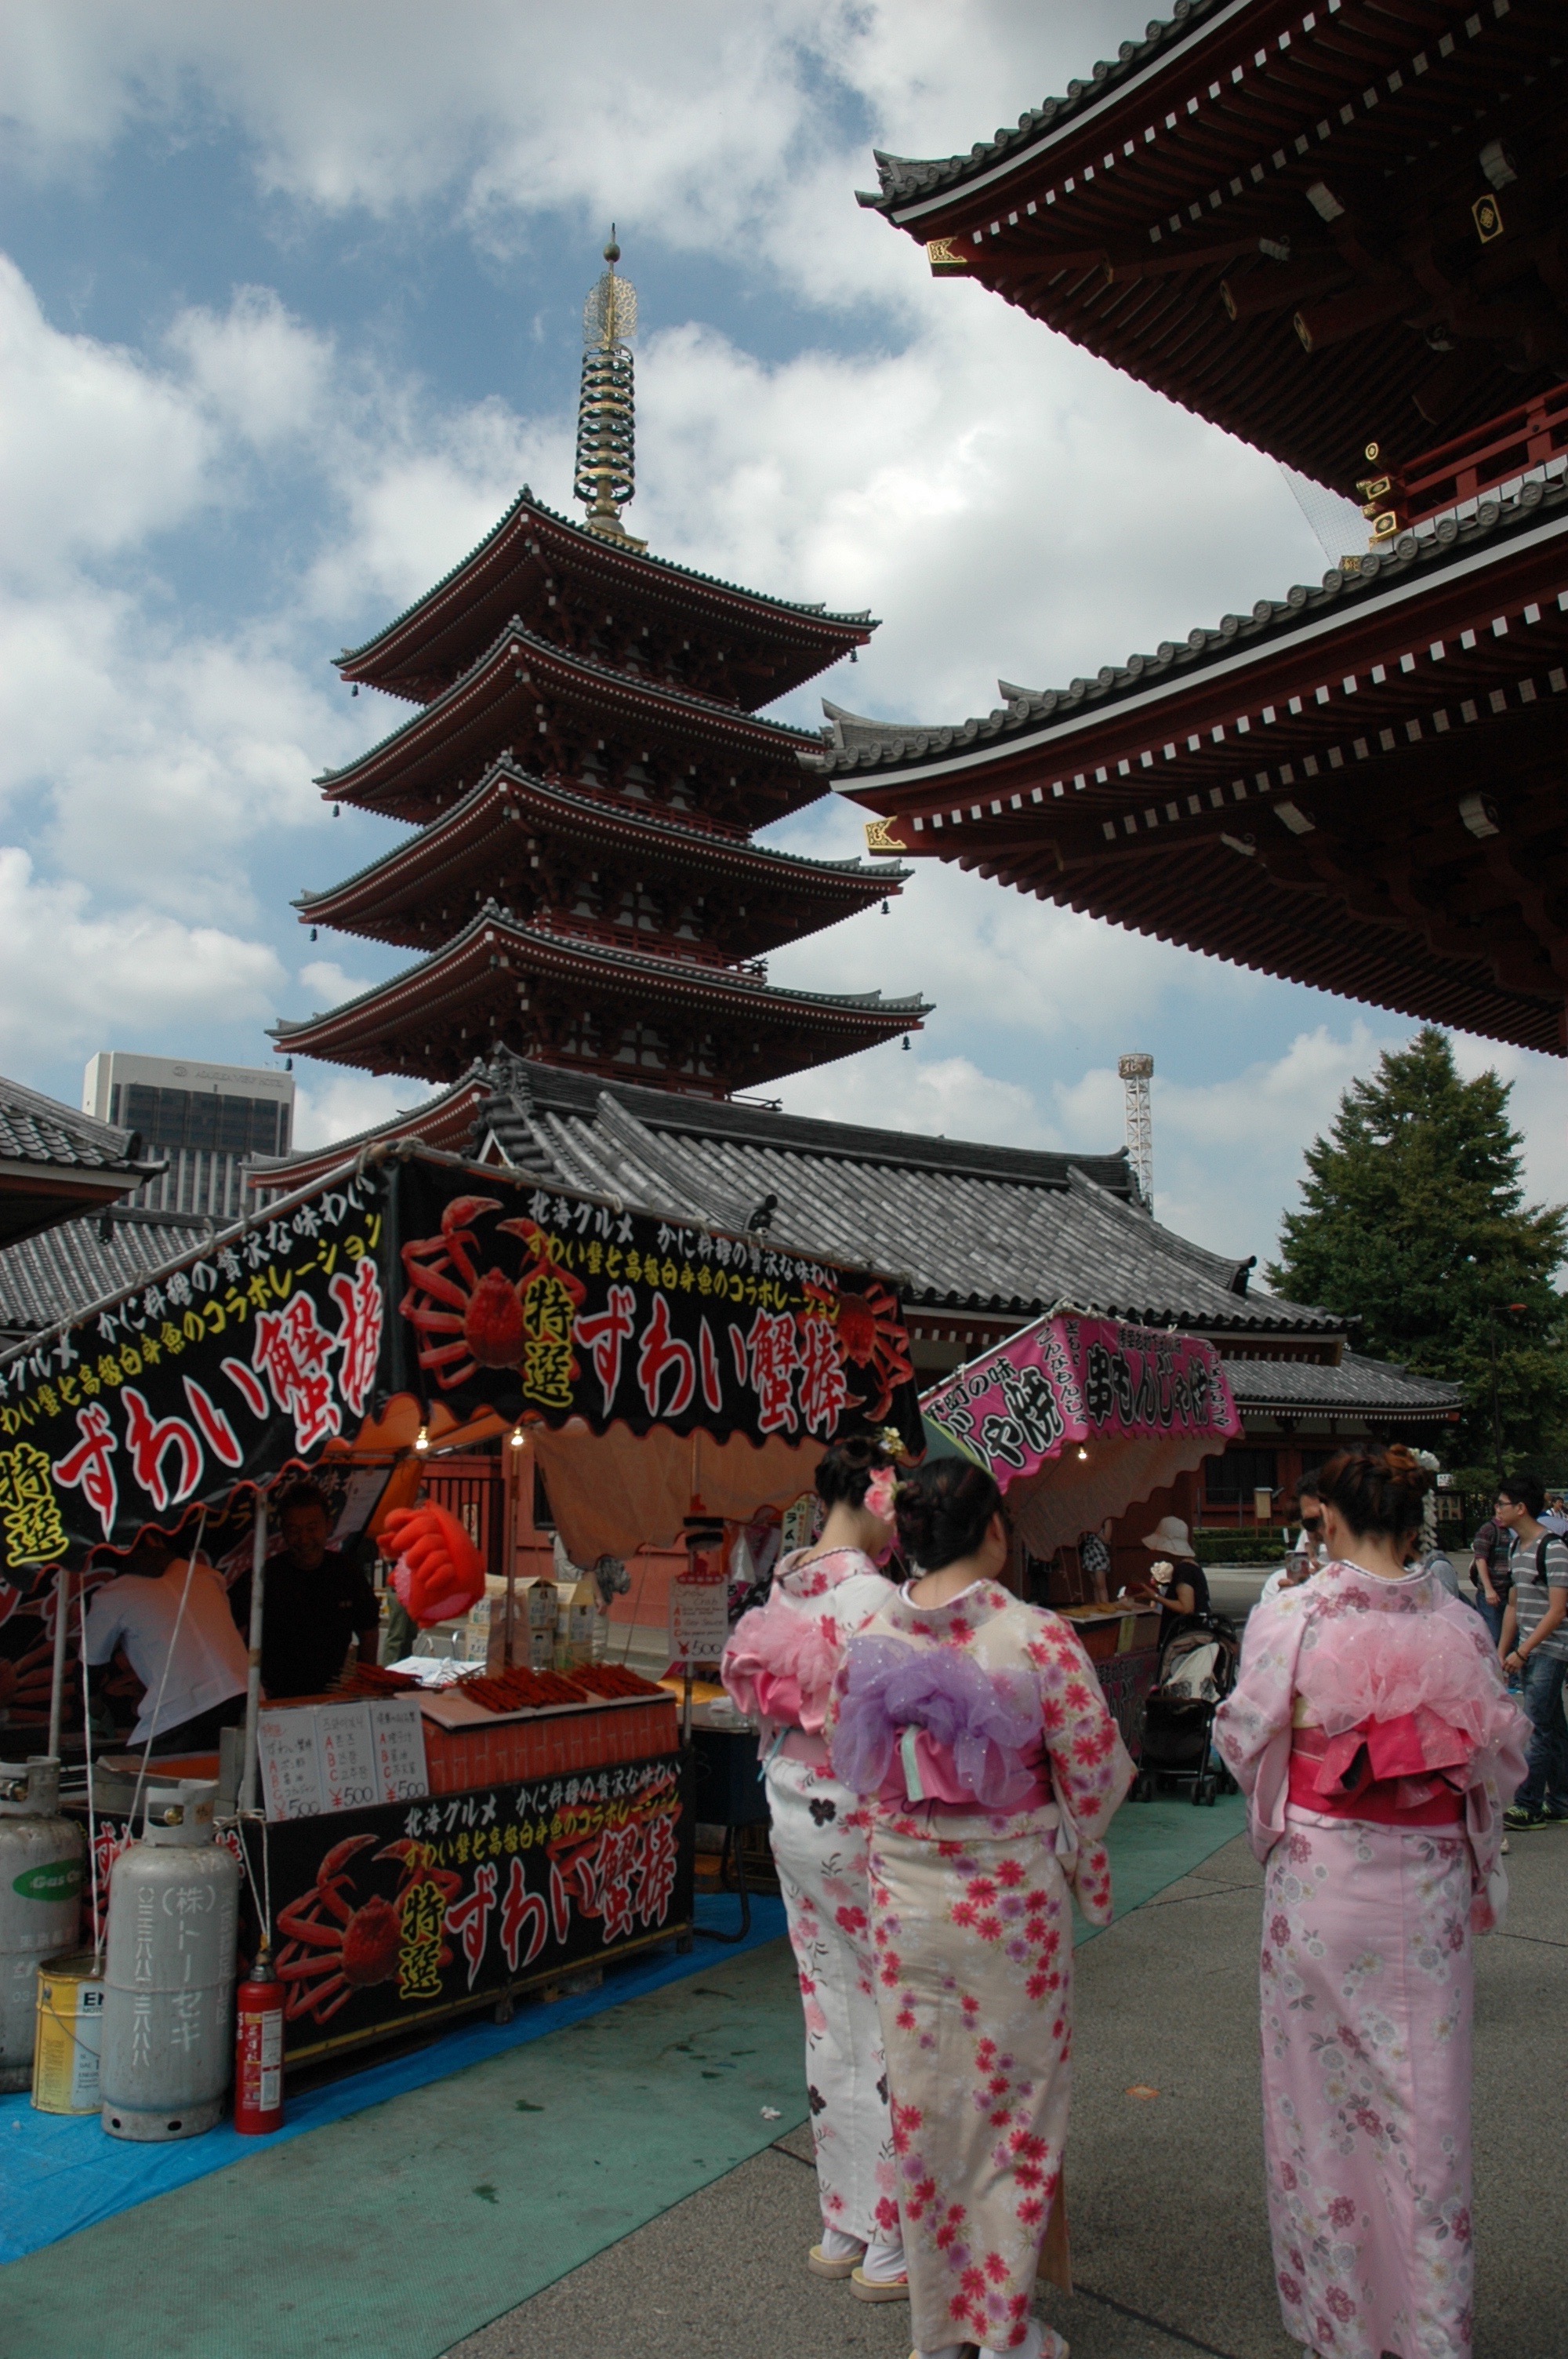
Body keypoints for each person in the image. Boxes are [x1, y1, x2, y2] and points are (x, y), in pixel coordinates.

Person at [1214, 1444, 1526, 2359]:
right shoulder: (1462, 1623)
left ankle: (1341, 2326)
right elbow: (1488, 1766)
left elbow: (1243, 1733)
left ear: (1333, 1521)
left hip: (1322, 1873)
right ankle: (1429, 2330)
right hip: (1423, 1876)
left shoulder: (1294, 1614)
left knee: (1317, 2099)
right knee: (1424, 2109)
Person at [830, 1459, 1133, 2359]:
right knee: (1012, 2111)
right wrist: (1075, 1836)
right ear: (993, 1530)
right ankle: (999, 2327)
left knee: (924, 2111)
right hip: (1006, 1902)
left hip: (904, 1893)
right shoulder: (1032, 1634)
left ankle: (937, 2331)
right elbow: (1093, 1766)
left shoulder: (871, 1626)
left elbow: (857, 1771)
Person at [720, 1437, 906, 2300]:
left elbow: (756, 1685)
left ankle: (841, 2217)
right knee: (886, 2008)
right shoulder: (874, 1594)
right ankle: (889, 2233)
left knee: (826, 2001)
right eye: (893, 1492)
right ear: (872, 1492)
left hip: (790, 1793)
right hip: (855, 1797)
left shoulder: (788, 1576)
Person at [85, 1540, 249, 1754]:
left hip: (184, 1711)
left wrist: (95, 1710)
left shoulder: (113, 1594)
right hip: (244, 1695)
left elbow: (89, 1669)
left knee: (135, 1776)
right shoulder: (204, 1575)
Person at [229, 1482, 380, 1699]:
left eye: (312, 1528)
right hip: (272, 1698)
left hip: (333, 1694)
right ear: (283, 1531)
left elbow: (369, 1630)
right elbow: (227, 1629)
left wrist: (365, 1683)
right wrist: (247, 1681)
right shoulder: (263, 1577)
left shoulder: (346, 1572)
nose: (304, 1539)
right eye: (294, 1530)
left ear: (328, 1526)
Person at [1494, 1471, 1568, 1830]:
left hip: (1551, 1649)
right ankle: (1561, 1801)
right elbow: (1514, 1602)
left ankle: (1528, 1805)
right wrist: (1502, 1649)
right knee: (1553, 1726)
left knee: (1536, 1726)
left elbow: (1558, 1611)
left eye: (1502, 1504)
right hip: (1529, 1648)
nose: (1497, 1509)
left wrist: (1522, 1651)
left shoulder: (1552, 1548)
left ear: (1521, 1508)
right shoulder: (1515, 1547)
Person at [1122, 1513, 1210, 1645]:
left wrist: (1155, 1597)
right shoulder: (1192, 1566)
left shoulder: (1184, 1569)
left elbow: (1186, 1608)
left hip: (1185, 1639)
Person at [1260, 1475, 1325, 1603]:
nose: (1322, 1531)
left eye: (1329, 1521)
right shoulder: (1279, 1581)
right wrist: (1280, 1604)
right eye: (1311, 1523)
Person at [1468, 1510, 1509, 1648]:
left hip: (1510, 1594)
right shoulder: (1488, 1530)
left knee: (1510, 1639)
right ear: (1498, 1507)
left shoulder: (1513, 1530)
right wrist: (1488, 1589)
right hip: (1491, 1594)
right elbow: (1480, 1559)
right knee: (1493, 1636)